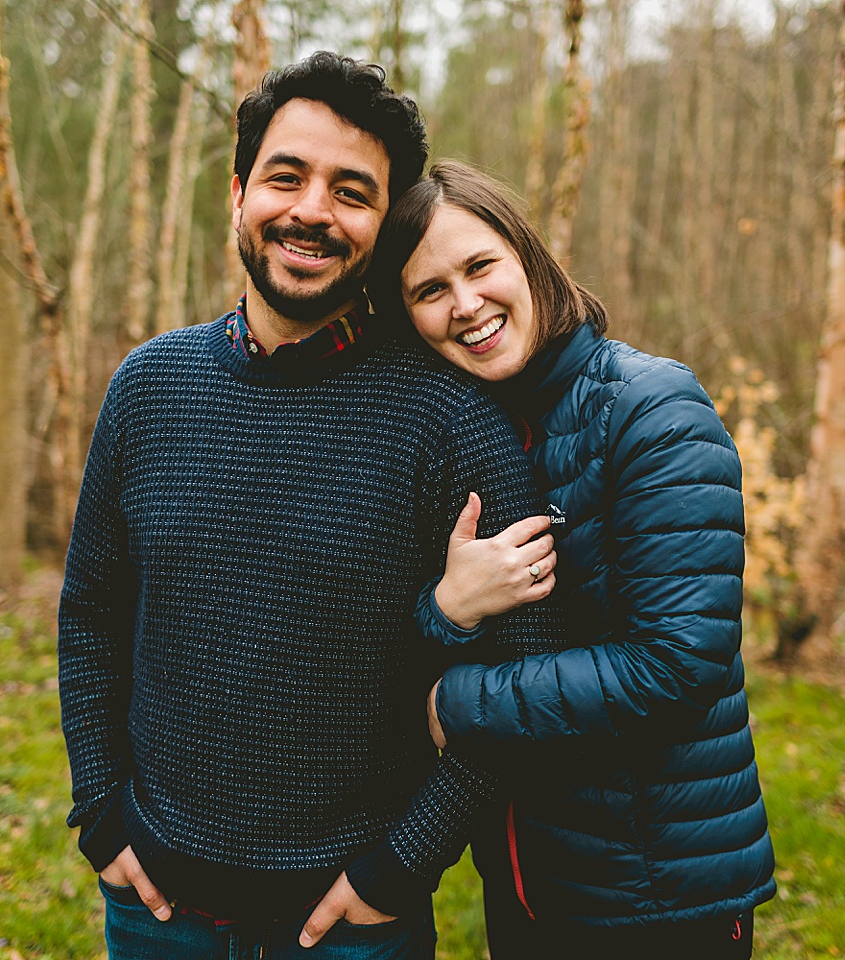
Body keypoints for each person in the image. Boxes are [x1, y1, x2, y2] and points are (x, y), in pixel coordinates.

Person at [57, 57, 565, 960]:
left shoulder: (452, 423)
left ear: (385, 224)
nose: (311, 211)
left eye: (352, 191)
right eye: (286, 176)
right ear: (239, 192)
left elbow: (519, 687)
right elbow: (93, 612)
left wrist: (402, 866)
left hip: (353, 922)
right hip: (155, 905)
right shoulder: (148, 388)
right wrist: (101, 811)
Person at [367, 160, 777, 958]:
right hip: (527, 883)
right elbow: (411, 629)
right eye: (429, 291)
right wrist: (446, 609)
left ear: (528, 255)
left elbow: (677, 664)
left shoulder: (650, 409)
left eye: (480, 266)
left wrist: (457, 702)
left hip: (658, 892)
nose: (466, 305)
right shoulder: (465, 438)